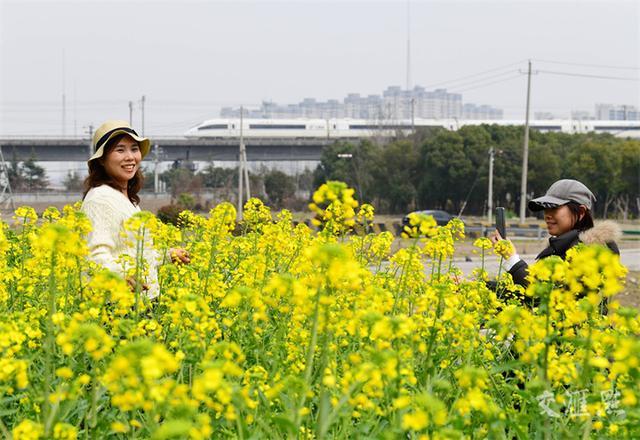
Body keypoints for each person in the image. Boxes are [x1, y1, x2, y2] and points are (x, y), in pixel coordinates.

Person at [81, 120, 189, 298]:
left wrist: (167, 256)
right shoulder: (100, 200)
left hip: (140, 306)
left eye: (134, 148)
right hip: (119, 308)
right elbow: (95, 257)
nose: (130, 157)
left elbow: (132, 255)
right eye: (120, 150)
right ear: (101, 160)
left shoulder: (126, 200)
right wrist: (120, 276)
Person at [491, 179, 620, 288]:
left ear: (580, 212)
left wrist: (512, 259)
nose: (547, 215)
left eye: (554, 208)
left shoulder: (594, 251)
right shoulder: (558, 247)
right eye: (545, 209)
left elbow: (542, 295)